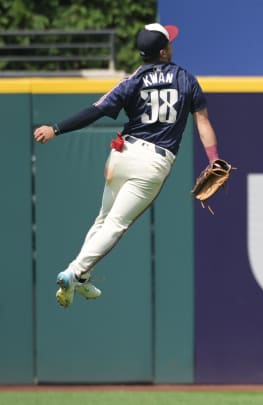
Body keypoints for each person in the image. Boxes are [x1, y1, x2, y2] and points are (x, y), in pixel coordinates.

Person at [33, 23, 222, 308]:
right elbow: (203, 122)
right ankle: (74, 272)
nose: (172, 45)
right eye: (169, 43)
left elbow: (95, 111)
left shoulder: (132, 80)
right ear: (163, 51)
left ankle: (82, 278)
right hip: (152, 164)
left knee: (103, 218)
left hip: (122, 155)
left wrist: (55, 128)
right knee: (117, 224)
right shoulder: (185, 79)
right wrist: (214, 159)